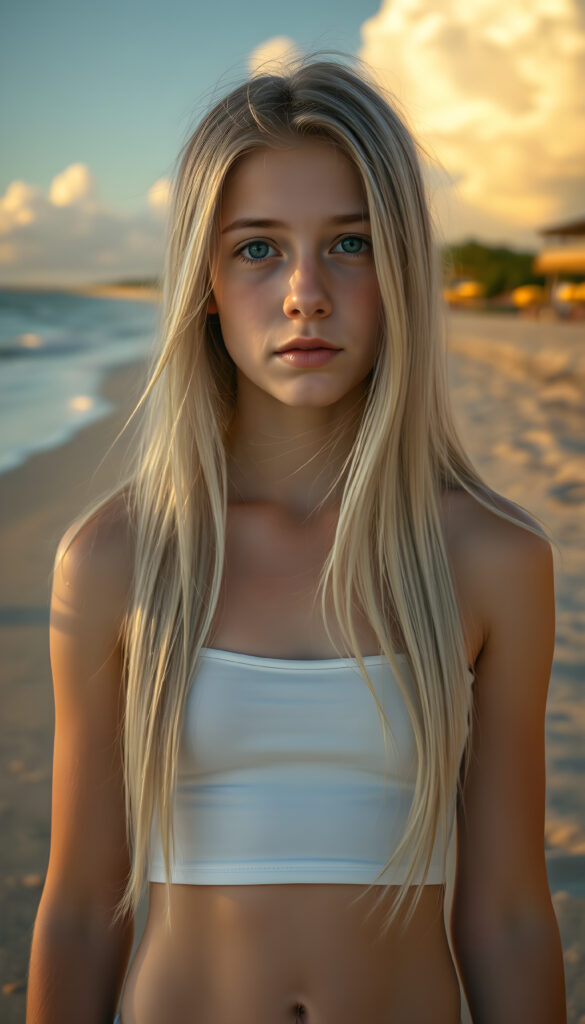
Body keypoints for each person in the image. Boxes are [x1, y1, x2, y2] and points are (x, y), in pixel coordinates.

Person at [26, 56, 566, 1024]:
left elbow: (512, 917)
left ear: (401, 271)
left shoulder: (492, 559)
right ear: (203, 281)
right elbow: (77, 913)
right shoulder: (117, 559)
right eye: (258, 249)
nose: (305, 293)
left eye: (351, 243)